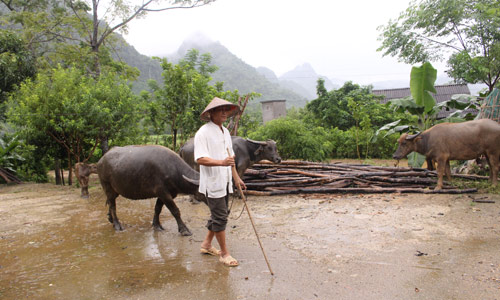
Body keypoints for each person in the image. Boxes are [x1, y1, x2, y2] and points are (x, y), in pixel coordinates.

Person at [194, 97, 246, 267]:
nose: (224, 113)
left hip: (224, 181)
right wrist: (221, 163)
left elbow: (230, 158)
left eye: (226, 110)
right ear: (211, 113)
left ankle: (207, 245)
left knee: (220, 215)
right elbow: (200, 158)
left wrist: (236, 177)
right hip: (213, 183)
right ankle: (224, 253)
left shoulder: (225, 132)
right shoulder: (203, 132)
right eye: (220, 110)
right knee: (220, 217)